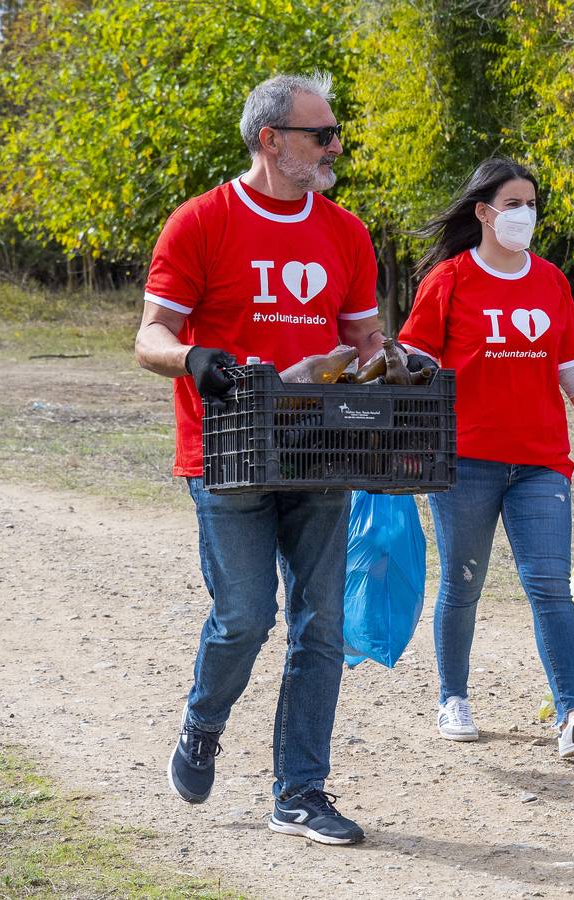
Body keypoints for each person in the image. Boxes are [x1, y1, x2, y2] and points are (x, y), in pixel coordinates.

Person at [134, 73, 383, 844]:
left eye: (335, 133)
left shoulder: (346, 231)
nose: (335, 146)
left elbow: (367, 342)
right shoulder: (201, 222)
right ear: (272, 140)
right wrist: (193, 358)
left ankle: (299, 791)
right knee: (246, 617)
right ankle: (203, 723)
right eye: (322, 135)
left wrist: (392, 367)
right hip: (227, 454)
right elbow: (149, 337)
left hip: (319, 450)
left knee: (322, 626)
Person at [397, 158, 574, 759]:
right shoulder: (450, 280)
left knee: (549, 587)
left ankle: (572, 715)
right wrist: (407, 428)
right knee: (463, 582)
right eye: (513, 204)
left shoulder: (551, 281)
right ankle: (452, 697)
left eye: (531, 204)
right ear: (483, 213)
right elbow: (410, 360)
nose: (525, 215)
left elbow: (571, 366)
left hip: (540, 461)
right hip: (463, 461)